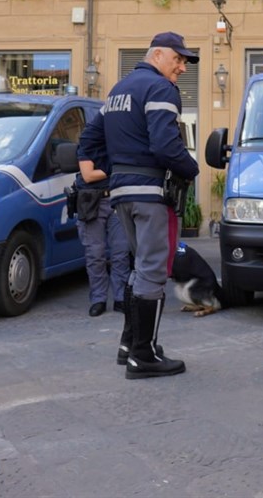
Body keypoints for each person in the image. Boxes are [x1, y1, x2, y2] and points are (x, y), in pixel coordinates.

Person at [80, 31, 200, 379]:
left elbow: (89, 139)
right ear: (158, 55)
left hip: (120, 194)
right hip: (149, 193)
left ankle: (129, 345)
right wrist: (190, 169)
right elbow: (165, 145)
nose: (181, 67)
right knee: (151, 270)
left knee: (138, 268)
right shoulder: (160, 89)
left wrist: (111, 168)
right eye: (177, 59)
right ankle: (143, 357)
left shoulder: (118, 90)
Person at [73, 145, 131, 318]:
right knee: (95, 254)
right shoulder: (88, 142)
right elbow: (88, 175)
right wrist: (118, 168)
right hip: (92, 202)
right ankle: (98, 300)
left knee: (121, 252)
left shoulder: (120, 140)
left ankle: (120, 298)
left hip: (117, 199)